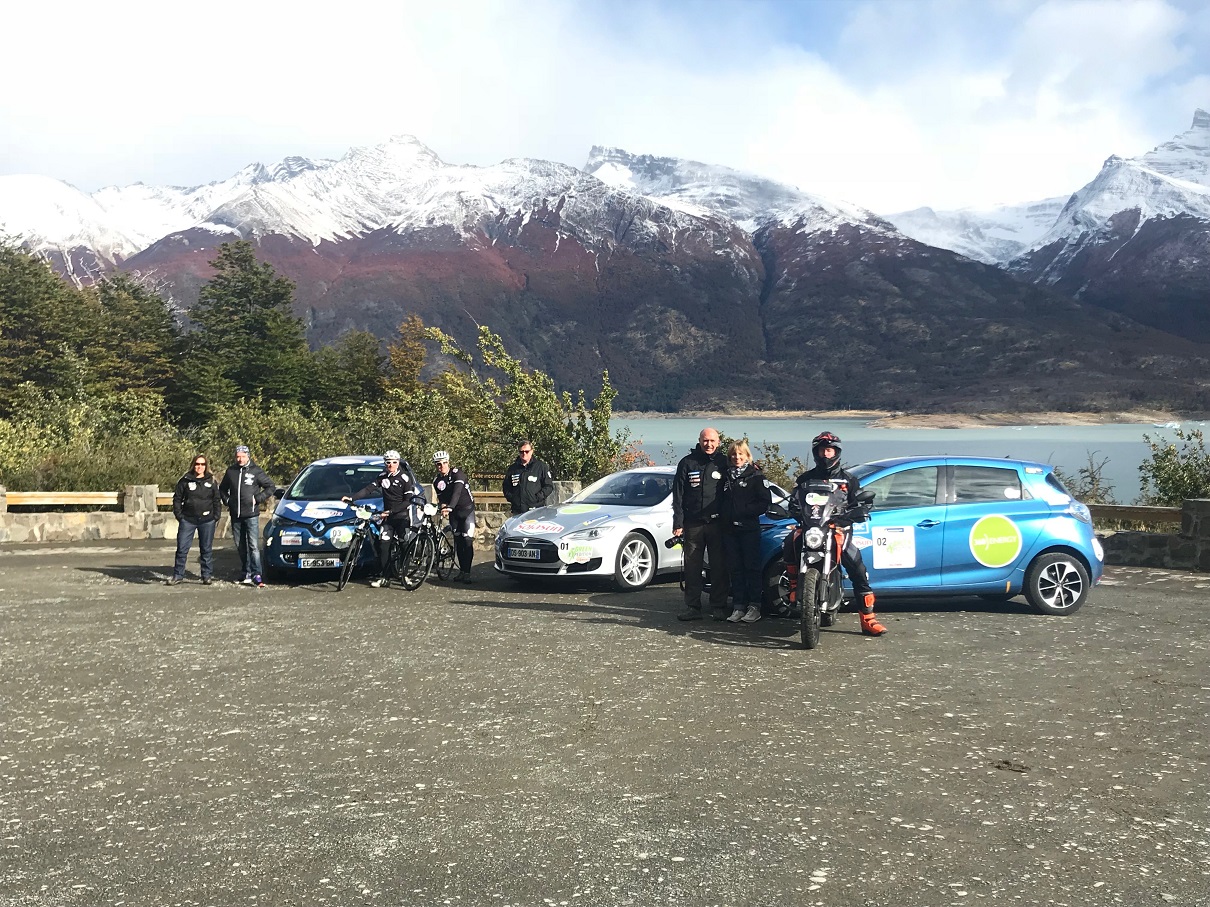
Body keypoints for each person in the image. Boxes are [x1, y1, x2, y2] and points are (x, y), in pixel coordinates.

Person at [786, 431, 886, 636]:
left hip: (839, 530)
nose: (825, 455)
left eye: (829, 450)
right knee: (790, 542)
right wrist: (792, 511)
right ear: (816, 452)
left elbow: (859, 501)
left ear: (837, 452)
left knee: (856, 566)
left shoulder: (848, 480)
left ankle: (868, 618)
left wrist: (858, 512)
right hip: (812, 528)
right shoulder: (805, 479)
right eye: (822, 450)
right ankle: (796, 584)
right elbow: (794, 502)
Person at [342, 450, 423, 589]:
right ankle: (385, 577)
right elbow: (368, 489)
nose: (391, 465)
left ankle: (405, 575)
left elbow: (408, 501)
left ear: (398, 463)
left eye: (394, 462)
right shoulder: (382, 476)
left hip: (401, 516)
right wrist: (352, 498)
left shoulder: (404, 478)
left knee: (404, 545)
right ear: (385, 464)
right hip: (388, 518)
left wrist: (391, 511)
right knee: (383, 545)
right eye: (388, 463)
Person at [672, 427, 730, 620]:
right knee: (693, 567)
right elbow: (678, 495)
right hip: (693, 524)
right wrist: (678, 522)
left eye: (712, 441)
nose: (709, 444)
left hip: (717, 524)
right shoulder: (687, 463)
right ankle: (693, 607)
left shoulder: (724, 463)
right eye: (705, 441)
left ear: (718, 442)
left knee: (719, 567)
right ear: (699, 441)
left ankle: (718, 606)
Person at [720, 439, 772, 624]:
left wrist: (743, 512)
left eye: (740, 454)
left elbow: (764, 502)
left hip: (749, 529)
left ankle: (754, 606)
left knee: (752, 568)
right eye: (733, 454)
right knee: (735, 569)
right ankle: (738, 606)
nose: (737, 457)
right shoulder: (725, 476)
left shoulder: (756, 476)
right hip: (729, 530)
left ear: (747, 456)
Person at [219, 445, 276, 587]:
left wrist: (258, 498)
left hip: (251, 514)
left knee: (253, 546)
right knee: (240, 545)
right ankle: (246, 572)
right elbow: (222, 489)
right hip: (236, 514)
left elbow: (271, 486)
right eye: (238, 456)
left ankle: (257, 574)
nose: (240, 459)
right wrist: (227, 501)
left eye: (243, 456)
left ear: (248, 456)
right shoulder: (231, 471)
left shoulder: (256, 471)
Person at [167, 454, 222, 586]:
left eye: (202, 464)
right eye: (197, 464)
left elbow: (216, 500)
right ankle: (178, 575)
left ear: (206, 466)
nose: (200, 467)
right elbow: (177, 499)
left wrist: (216, 516)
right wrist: (179, 515)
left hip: (207, 520)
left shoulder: (212, 481)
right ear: (193, 465)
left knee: (206, 549)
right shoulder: (185, 480)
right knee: (182, 548)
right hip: (188, 520)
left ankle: (206, 575)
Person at [432, 450, 476, 583]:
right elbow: (442, 499)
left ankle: (467, 572)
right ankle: (462, 571)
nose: (442, 466)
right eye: (439, 464)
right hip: (454, 513)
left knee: (467, 540)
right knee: (458, 542)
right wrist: (445, 507)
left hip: (466, 510)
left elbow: (456, 493)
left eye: (444, 463)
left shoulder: (458, 474)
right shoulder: (437, 481)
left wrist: (449, 506)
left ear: (448, 463)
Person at [502, 440, 553, 515]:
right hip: (517, 511)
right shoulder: (513, 469)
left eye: (527, 451)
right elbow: (506, 487)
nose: (524, 454)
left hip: (536, 510)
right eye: (521, 452)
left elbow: (548, 486)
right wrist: (513, 499)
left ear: (532, 451)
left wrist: (537, 497)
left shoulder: (541, 467)